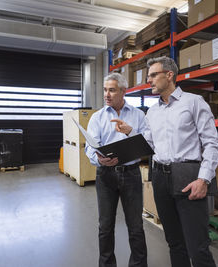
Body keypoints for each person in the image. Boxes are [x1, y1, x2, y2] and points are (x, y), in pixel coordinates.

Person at [113, 56, 218, 267]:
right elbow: (150, 144)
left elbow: (212, 144)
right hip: (160, 177)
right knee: (174, 242)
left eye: (153, 75)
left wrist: (204, 179)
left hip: (188, 176)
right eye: (148, 76)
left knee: (197, 246)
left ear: (169, 75)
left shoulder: (193, 102)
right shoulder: (153, 111)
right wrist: (130, 132)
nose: (149, 81)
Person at [85, 72, 148, 267]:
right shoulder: (97, 117)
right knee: (105, 227)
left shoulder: (138, 115)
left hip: (131, 174)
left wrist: (131, 131)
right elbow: (90, 146)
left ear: (123, 91)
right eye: (105, 90)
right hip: (105, 176)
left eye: (111, 90)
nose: (107, 94)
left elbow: (147, 144)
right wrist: (98, 159)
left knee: (136, 227)